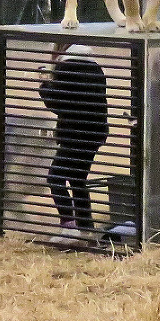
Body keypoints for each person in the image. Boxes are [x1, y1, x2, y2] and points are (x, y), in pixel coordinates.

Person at [39, 43, 108, 241]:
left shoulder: (66, 68)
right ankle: (86, 226)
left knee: (55, 177)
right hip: (95, 134)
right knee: (78, 179)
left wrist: (44, 84)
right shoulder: (96, 69)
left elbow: (56, 102)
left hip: (74, 134)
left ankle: (69, 228)